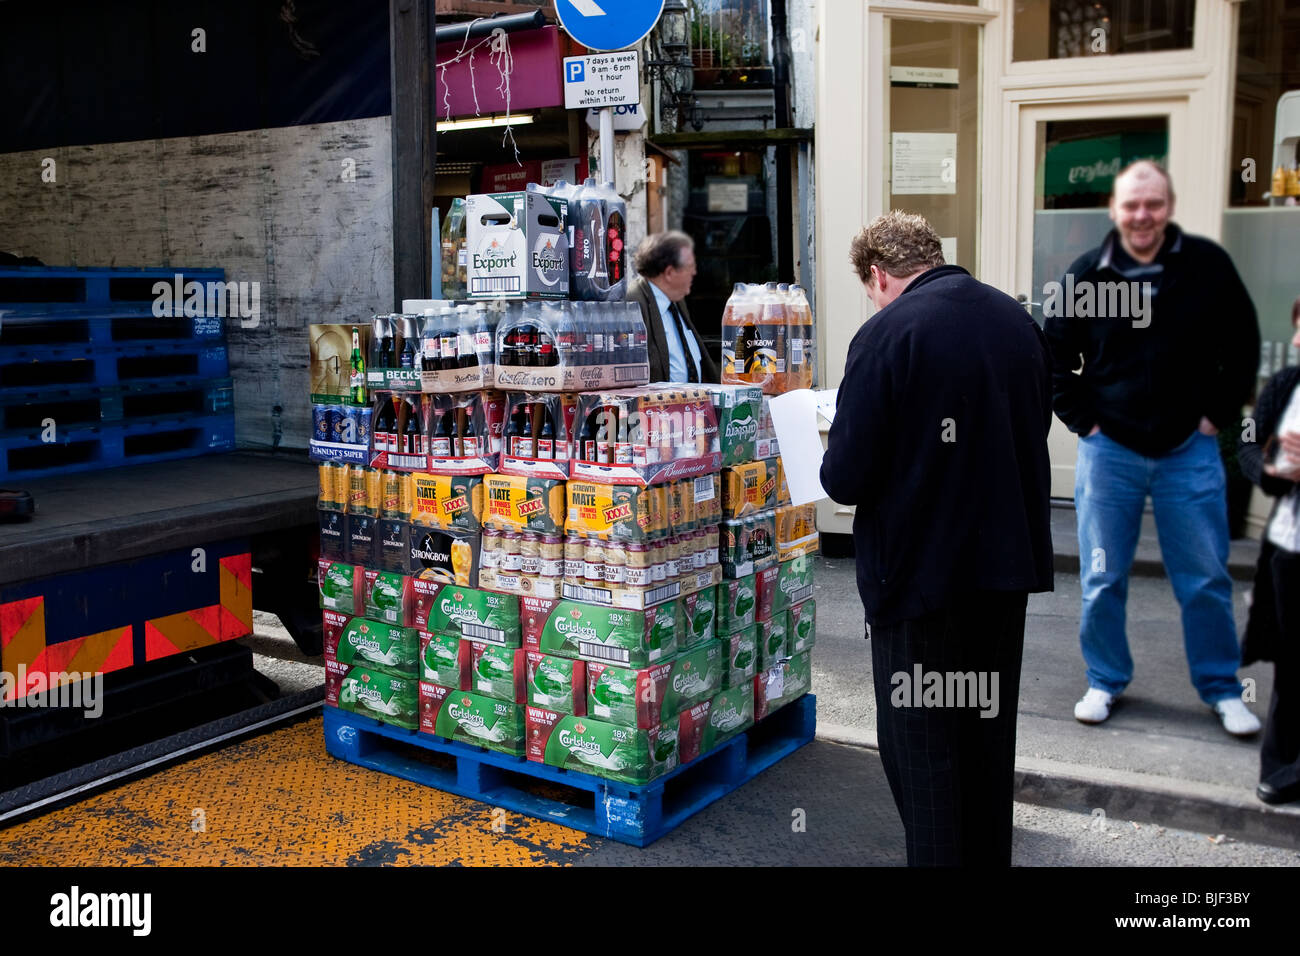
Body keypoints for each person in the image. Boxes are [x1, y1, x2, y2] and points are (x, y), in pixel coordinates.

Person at [820, 211, 1054, 866]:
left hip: (919, 586)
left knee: (925, 766)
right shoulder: (1015, 321)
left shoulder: (886, 332)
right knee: (985, 749)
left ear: (877, 275)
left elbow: (844, 477)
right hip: (1004, 577)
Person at [1043, 160, 1263, 735]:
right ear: (1115, 210)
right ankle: (1104, 679)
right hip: (1108, 449)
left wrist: (1217, 417)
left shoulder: (1205, 267)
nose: (1143, 215)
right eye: (1132, 205)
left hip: (1188, 449)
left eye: (1154, 204)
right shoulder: (1089, 275)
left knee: (1206, 577)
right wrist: (1083, 422)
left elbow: (1242, 345)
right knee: (1102, 574)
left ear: (1168, 207)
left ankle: (1221, 687)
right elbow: (1054, 353)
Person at [1239, 295, 1300, 804]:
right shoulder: (1285, 386)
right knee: (1290, 662)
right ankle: (1281, 769)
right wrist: (1272, 471)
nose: (1296, 341)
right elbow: (1246, 444)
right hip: (1289, 547)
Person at [627, 231, 719, 384]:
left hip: (693, 404)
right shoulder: (632, 304)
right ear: (670, 272)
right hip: (655, 406)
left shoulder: (676, 301)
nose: (695, 272)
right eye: (690, 267)